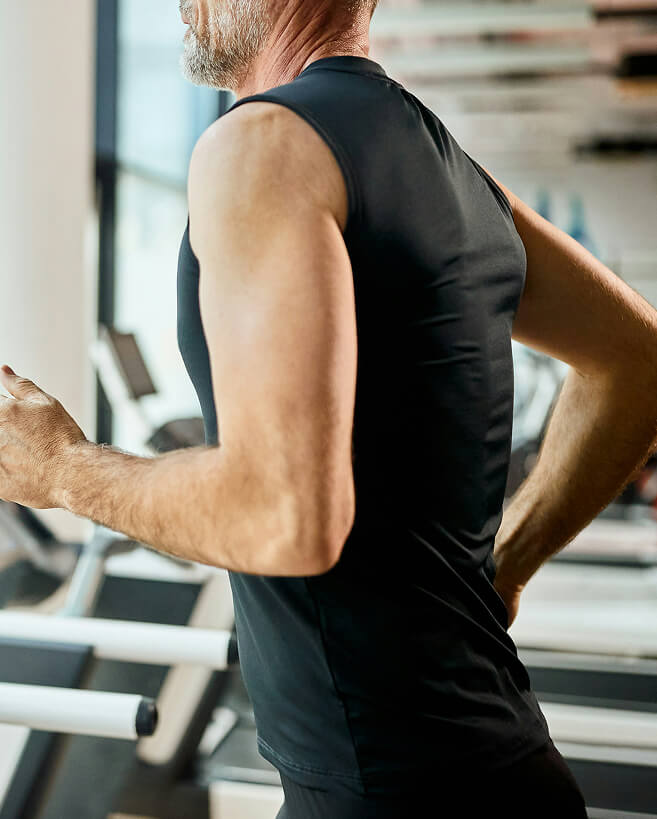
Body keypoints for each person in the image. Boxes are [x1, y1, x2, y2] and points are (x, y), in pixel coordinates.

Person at [4, 1, 657, 816]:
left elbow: (281, 517)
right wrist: (507, 564)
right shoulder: (448, 166)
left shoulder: (259, 143)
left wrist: (62, 469)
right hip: (503, 768)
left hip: (386, 790)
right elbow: (638, 357)